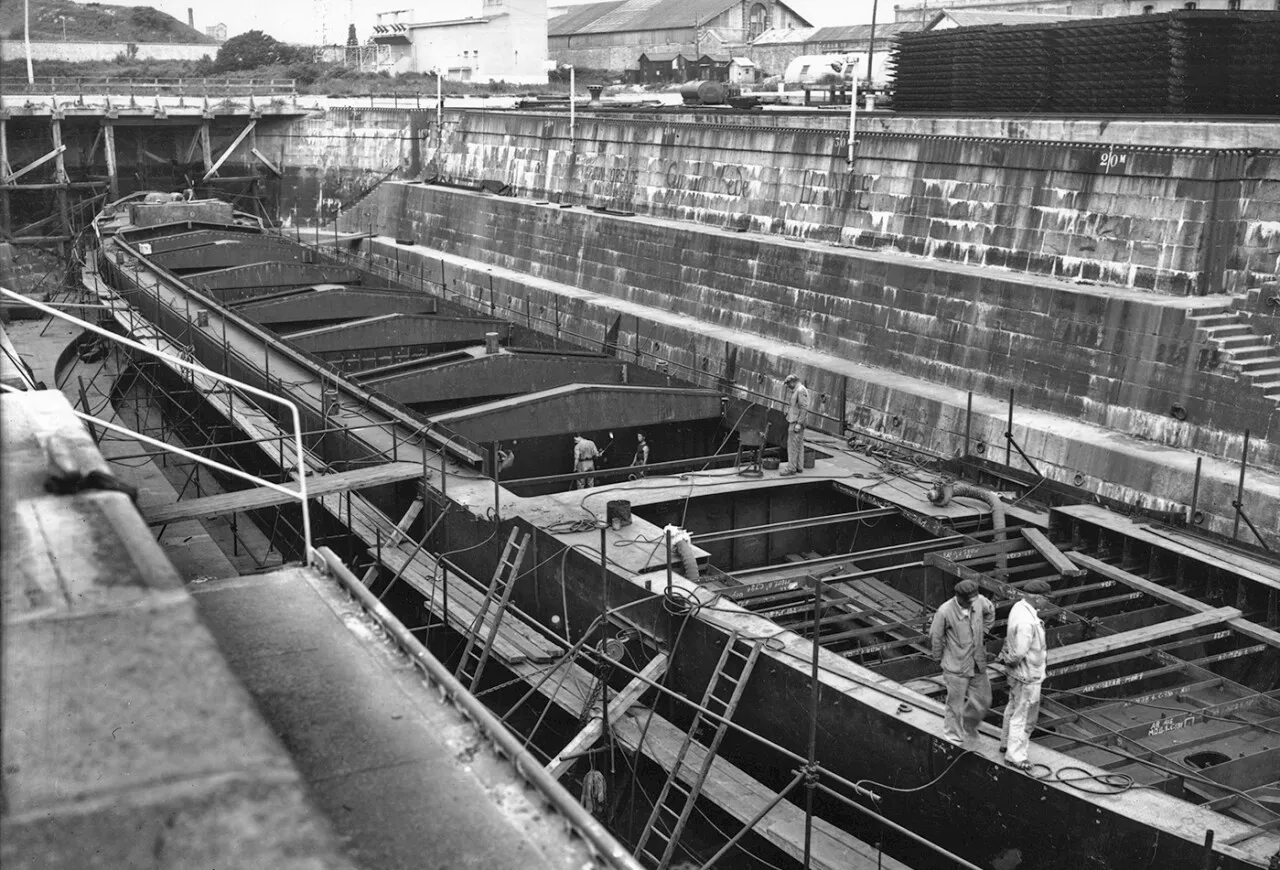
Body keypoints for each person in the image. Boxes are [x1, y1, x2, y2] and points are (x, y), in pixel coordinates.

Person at [929, 578, 996, 745]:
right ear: (959, 597)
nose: (971, 604)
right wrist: (940, 658)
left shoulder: (979, 601)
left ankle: (967, 726)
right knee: (955, 705)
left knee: (983, 699)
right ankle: (953, 737)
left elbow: (990, 611)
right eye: (968, 601)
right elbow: (935, 636)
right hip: (956, 666)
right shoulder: (945, 611)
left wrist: (985, 631)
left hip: (977, 662)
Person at [998, 578, 1051, 770]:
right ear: (1037, 598)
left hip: (1017, 674)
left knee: (1013, 707)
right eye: (1046, 598)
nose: (1047, 602)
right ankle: (1016, 756)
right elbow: (1020, 651)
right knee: (1025, 715)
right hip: (1027, 675)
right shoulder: (1027, 622)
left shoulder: (1018, 608)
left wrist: (1007, 661)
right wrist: (1010, 660)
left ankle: (1005, 743)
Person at [779, 373, 810, 476]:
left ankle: (791, 468)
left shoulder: (800, 390)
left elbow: (804, 408)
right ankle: (799, 467)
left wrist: (798, 423)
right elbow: (796, 406)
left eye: (788, 384)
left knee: (792, 446)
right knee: (799, 445)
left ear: (792, 382)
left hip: (795, 422)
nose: (788, 387)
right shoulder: (798, 390)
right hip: (795, 420)